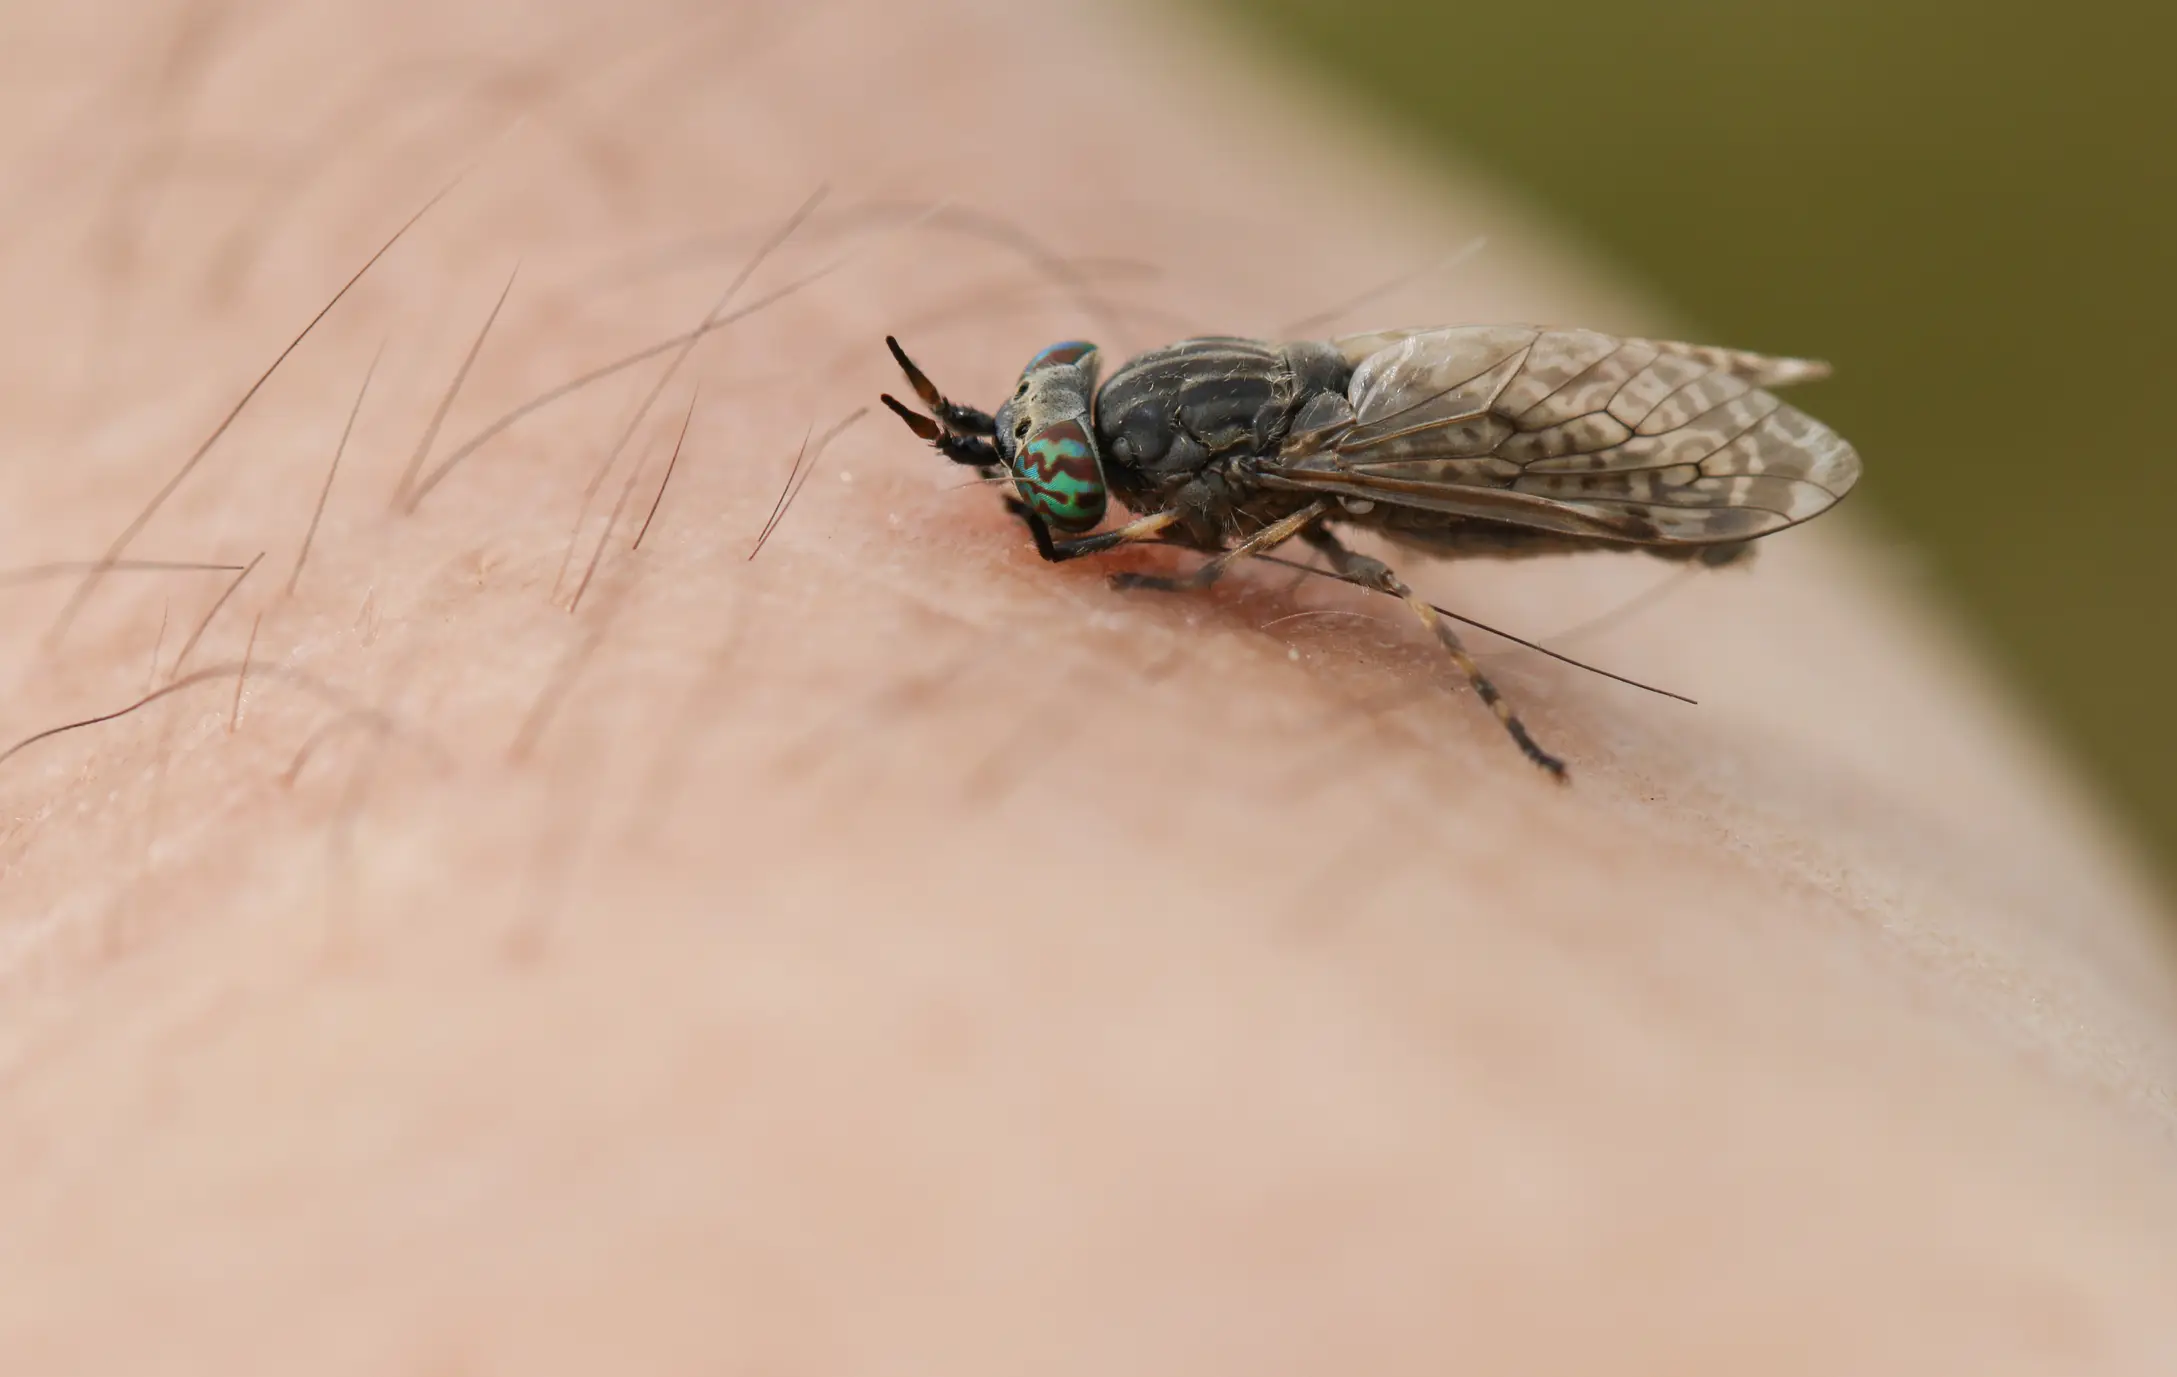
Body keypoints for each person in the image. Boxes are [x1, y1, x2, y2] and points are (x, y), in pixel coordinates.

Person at [3, 0, 2173, 1368]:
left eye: (1044, 450)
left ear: (1116, 453)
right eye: (1036, 446)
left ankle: (1584, 601)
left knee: (1409, 546)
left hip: (1436, 461)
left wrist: (1489, 659)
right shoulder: (1149, 435)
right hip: (1380, 422)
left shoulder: (1217, 472)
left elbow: (1305, 522)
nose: (1037, 459)